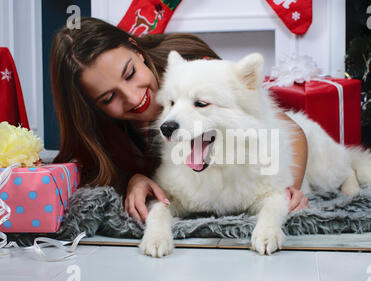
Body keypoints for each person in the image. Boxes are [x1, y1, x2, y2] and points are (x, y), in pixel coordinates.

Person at [51, 17, 309, 223]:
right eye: (109, 98)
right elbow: (98, 183)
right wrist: (134, 179)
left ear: (136, 49)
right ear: (92, 108)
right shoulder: (101, 136)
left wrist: (286, 190)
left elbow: (282, 128)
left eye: (129, 73)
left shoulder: (188, 59)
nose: (132, 97)